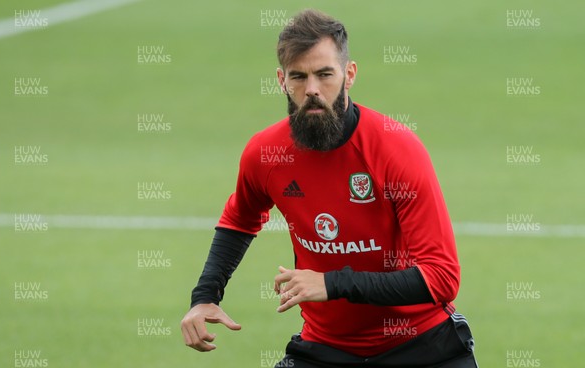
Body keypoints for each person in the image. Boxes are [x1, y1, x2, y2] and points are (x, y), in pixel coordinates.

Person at [181, 9, 478, 367]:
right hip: (327, 349)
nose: (312, 90)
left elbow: (441, 279)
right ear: (281, 80)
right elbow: (239, 220)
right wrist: (204, 296)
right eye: (298, 77)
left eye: (325, 75)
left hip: (422, 345)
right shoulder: (266, 154)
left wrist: (333, 284)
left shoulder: (397, 150)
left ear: (349, 74)